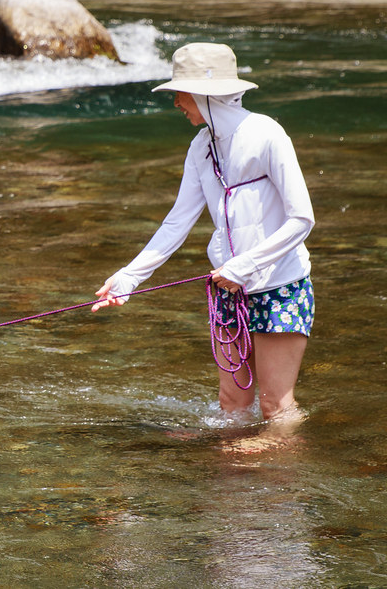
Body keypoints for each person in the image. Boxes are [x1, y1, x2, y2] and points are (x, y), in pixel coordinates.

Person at [92, 42, 315, 421]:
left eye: (181, 93)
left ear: (205, 94)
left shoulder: (267, 134)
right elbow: (177, 222)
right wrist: (129, 278)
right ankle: (233, 477)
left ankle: (281, 477)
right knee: (231, 405)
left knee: (275, 405)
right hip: (227, 289)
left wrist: (243, 266)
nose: (177, 102)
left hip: (281, 285)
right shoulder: (200, 148)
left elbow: (303, 219)